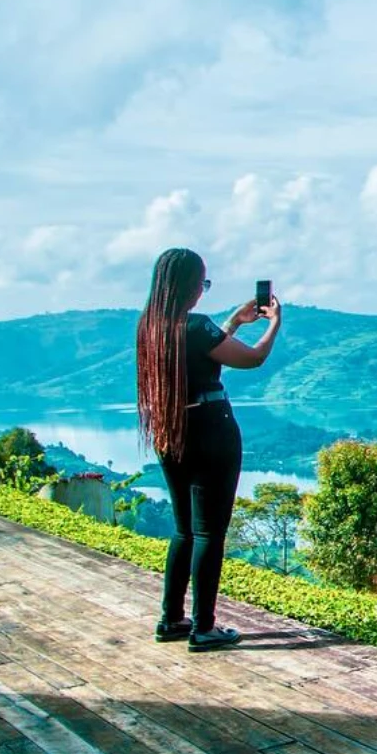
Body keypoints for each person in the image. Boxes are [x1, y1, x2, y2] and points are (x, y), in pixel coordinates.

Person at [134, 248, 282, 652]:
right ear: (189, 286)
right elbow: (253, 359)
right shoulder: (197, 327)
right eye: (203, 282)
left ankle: (172, 618)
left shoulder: (150, 330)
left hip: (173, 432)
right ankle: (204, 627)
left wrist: (234, 321)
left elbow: (203, 353)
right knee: (210, 532)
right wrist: (274, 325)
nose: (203, 290)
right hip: (212, 433)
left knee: (184, 529)